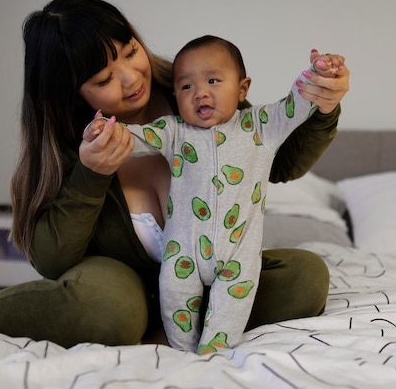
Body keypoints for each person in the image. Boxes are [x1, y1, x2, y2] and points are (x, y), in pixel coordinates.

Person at [0, 0, 350, 349]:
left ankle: (169, 328)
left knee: (305, 278)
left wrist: (322, 106)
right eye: (104, 78)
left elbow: (281, 163)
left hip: (207, 279)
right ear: (72, 94)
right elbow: (51, 259)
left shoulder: (194, 91)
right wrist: (92, 172)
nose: (132, 78)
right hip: (119, 285)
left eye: (131, 51)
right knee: (108, 308)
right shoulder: (73, 144)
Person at [83, 35, 343, 354]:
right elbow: (134, 139)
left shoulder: (262, 125)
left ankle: (211, 357)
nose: (201, 93)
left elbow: (298, 103)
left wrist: (318, 75)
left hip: (239, 253)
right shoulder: (173, 131)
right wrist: (104, 133)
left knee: (229, 314)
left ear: (242, 88)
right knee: (174, 301)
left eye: (213, 80)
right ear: (175, 94)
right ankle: (180, 354)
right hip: (183, 251)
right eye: (187, 87)